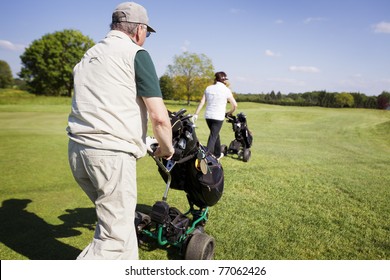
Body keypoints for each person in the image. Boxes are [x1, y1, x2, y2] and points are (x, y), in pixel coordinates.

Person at [66, 2, 174, 260]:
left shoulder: (90, 54)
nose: (146, 38)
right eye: (147, 32)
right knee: (113, 239)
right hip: (110, 157)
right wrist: (167, 149)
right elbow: (160, 118)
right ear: (139, 29)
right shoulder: (136, 54)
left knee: (123, 228)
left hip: (78, 152)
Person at [193, 71, 237, 158]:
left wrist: (196, 114)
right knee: (213, 135)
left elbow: (202, 102)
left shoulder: (208, 88)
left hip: (208, 116)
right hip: (218, 117)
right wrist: (230, 112)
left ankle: (217, 154)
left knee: (215, 134)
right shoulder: (226, 90)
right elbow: (235, 105)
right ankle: (207, 157)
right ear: (224, 81)